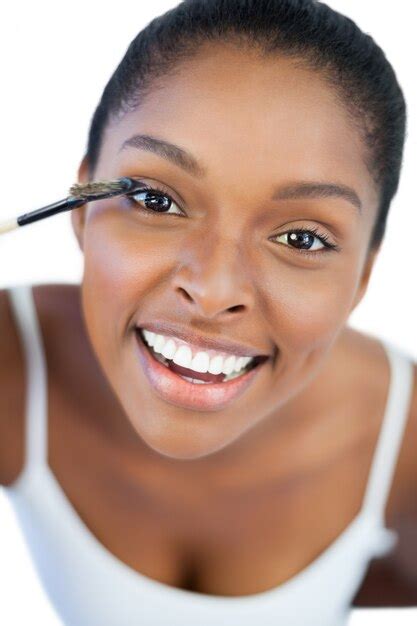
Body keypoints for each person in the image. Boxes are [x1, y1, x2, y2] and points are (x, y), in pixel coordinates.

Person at [1, 0, 416, 624]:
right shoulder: (12, 360)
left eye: (302, 239)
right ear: (82, 207)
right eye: (156, 200)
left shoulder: (407, 443)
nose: (214, 289)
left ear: (362, 277)